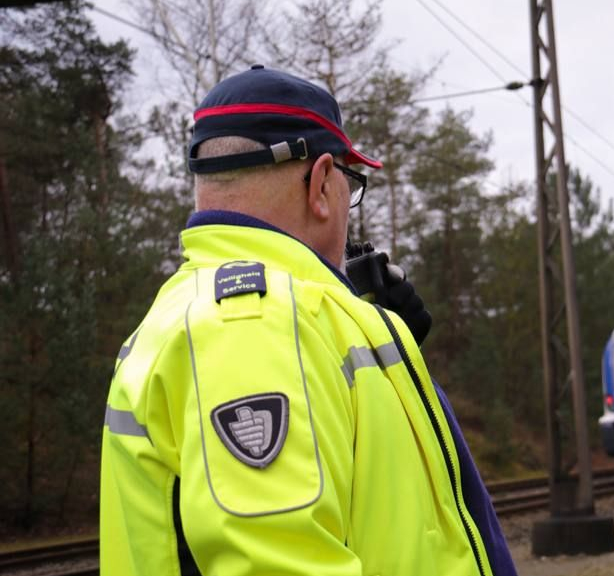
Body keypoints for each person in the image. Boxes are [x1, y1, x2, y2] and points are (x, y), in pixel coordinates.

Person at [99, 66, 517, 576]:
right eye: (351, 184)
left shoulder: (208, 314)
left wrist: (384, 344)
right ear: (321, 182)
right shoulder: (254, 326)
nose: (348, 205)